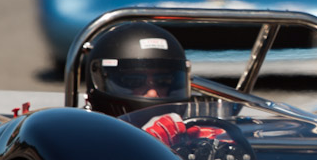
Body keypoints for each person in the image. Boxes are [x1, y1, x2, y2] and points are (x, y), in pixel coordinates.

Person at [84, 21, 222, 145]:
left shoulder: (188, 136)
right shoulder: (83, 140)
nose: (153, 92)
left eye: (163, 81)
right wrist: (142, 146)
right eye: (134, 81)